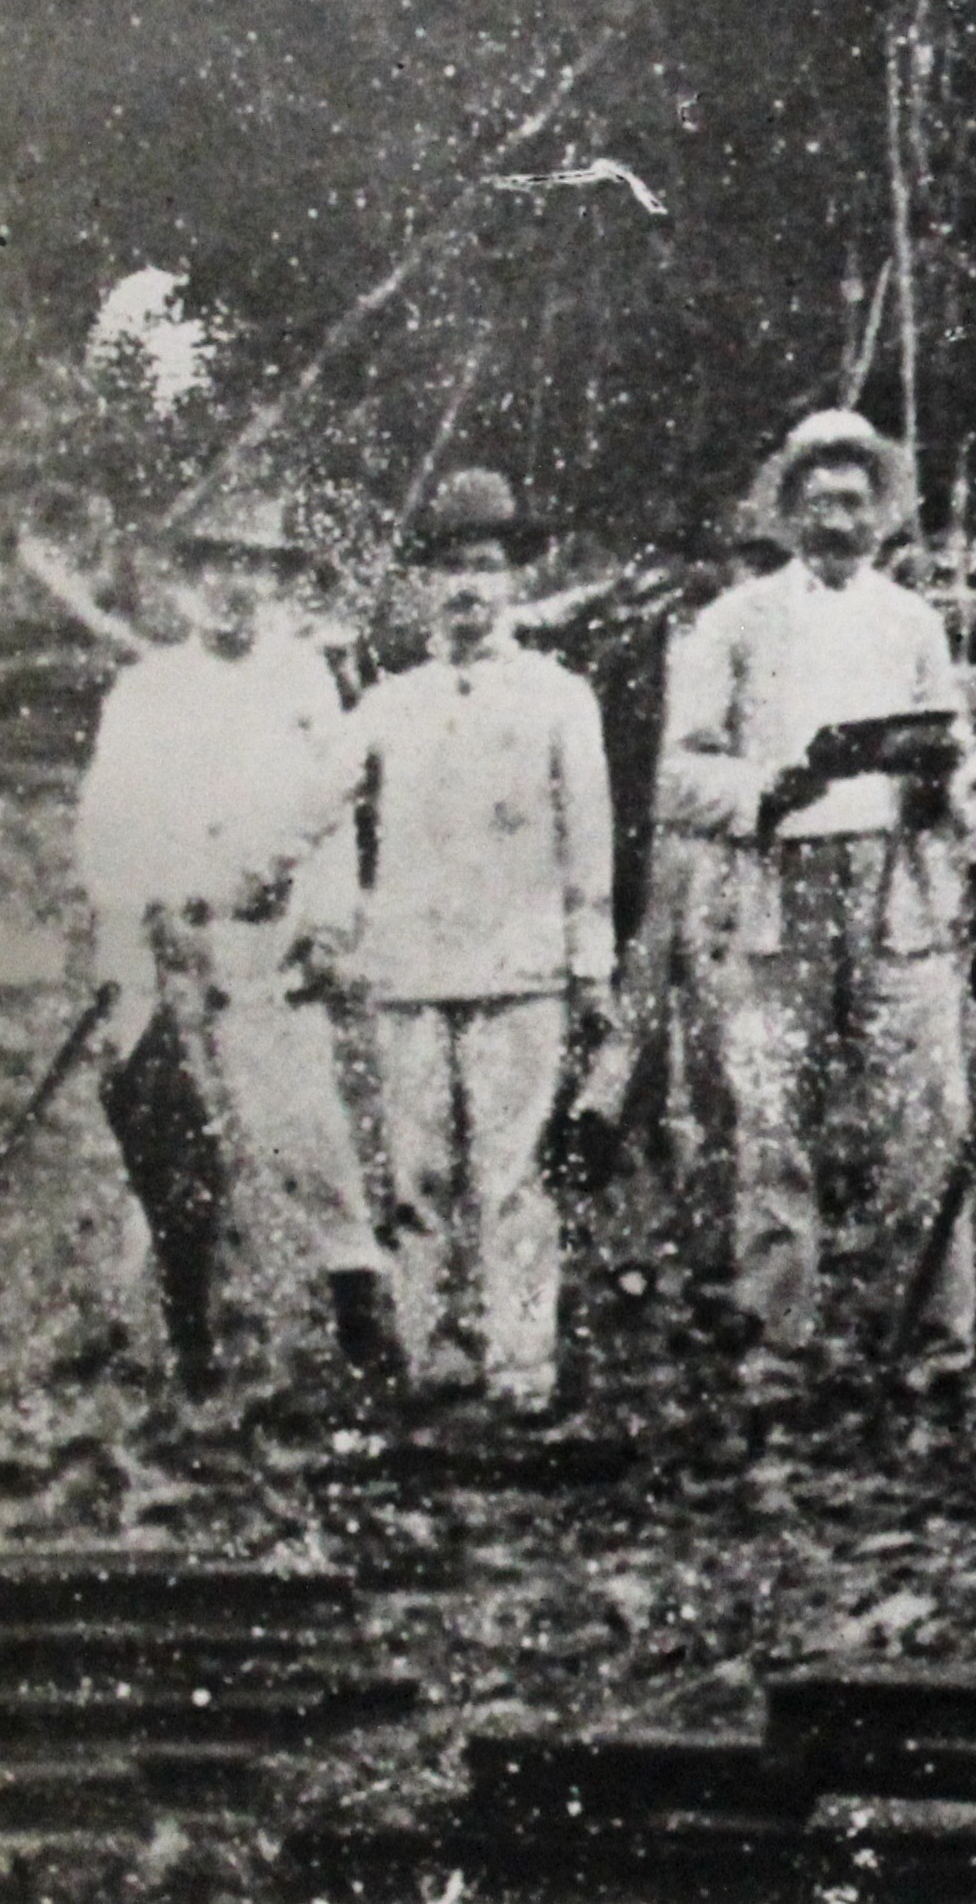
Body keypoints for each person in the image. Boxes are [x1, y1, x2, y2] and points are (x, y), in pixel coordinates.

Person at [654, 409, 976, 1393]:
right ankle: (777, 1334)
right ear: (790, 510)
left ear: (884, 513)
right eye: (820, 500)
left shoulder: (912, 620)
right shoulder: (736, 619)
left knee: (924, 1108)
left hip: (893, 886)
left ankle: (932, 1337)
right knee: (773, 1112)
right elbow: (678, 771)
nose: (840, 520)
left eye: (857, 501)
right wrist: (769, 789)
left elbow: (957, 759)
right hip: (778, 885)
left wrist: (946, 784)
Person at [76, 491, 397, 1404]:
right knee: (173, 1153)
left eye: (253, 566)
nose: (233, 584)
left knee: (307, 1128)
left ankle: (359, 1308)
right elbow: (106, 821)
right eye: (217, 564)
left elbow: (332, 816)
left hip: (271, 941)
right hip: (170, 946)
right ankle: (174, 1339)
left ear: (276, 580)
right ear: (186, 580)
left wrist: (329, 924)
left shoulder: (302, 682)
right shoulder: (147, 690)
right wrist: (144, 913)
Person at [306, 469, 611, 1421]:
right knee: (419, 1171)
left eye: (486, 566)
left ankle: (523, 1363)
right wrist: (235, 867)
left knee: (515, 1175)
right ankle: (433, 1345)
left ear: (517, 579)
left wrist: (590, 965)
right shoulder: (392, 702)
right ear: (423, 586)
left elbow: (589, 844)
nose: (468, 587)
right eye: (449, 569)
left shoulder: (560, 697)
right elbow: (314, 799)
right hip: (411, 970)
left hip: (521, 970)